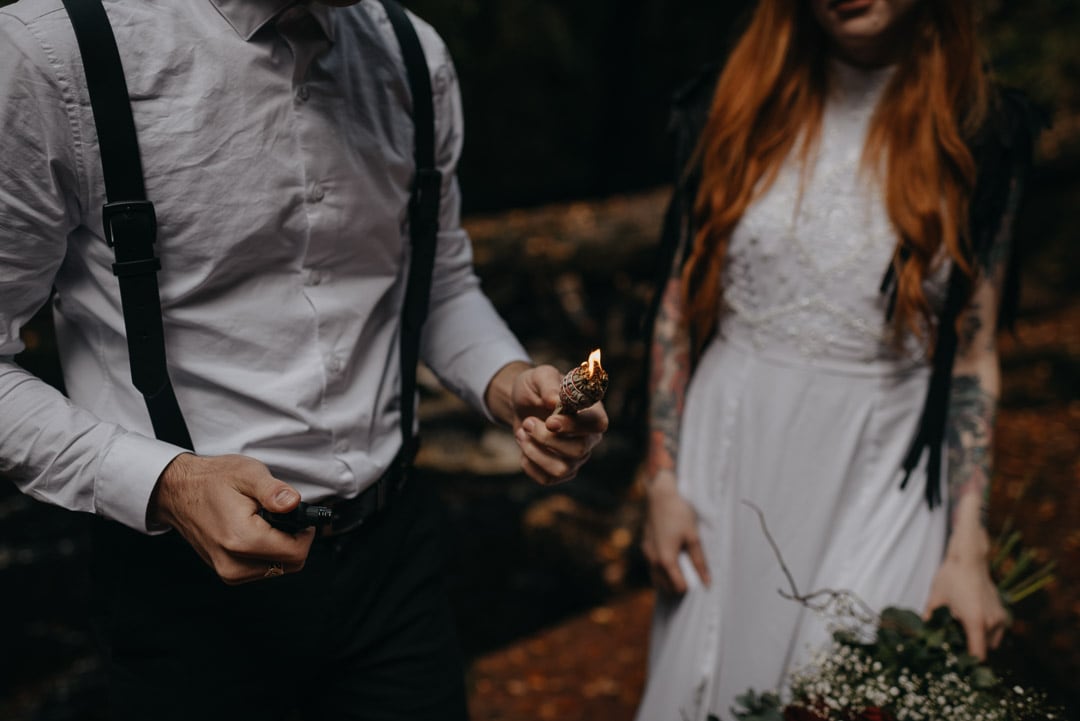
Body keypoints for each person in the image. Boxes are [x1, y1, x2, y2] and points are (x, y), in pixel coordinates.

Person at [0, 1, 607, 719]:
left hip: (396, 561)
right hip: (182, 589)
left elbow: (437, 279)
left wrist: (505, 381)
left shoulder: (414, 54)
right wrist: (167, 484)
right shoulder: (52, 54)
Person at [635, 0, 1038, 718]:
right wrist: (662, 482)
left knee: (844, 689)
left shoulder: (984, 133)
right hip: (729, 454)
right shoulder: (729, 105)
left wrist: (967, 546)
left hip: (887, 469)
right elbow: (675, 308)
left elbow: (973, 357)